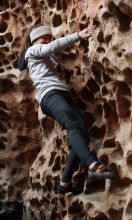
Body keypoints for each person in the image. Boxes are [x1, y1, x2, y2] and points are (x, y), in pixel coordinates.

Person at [18, 24, 115, 194]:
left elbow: (52, 49)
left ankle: (64, 183)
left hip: (62, 95)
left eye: (50, 37)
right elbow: (52, 47)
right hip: (49, 95)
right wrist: (78, 35)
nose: (48, 40)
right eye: (44, 38)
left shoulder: (43, 53)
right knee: (73, 125)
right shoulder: (33, 50)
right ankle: (93, 164)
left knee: (82, 135)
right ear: (34, 41)